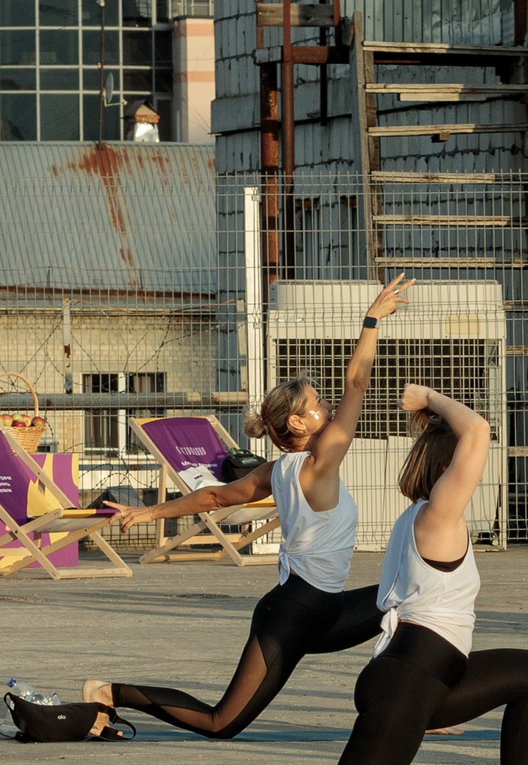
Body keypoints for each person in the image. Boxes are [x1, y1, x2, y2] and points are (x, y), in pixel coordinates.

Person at [151, 383, 528, 765]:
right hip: (408, 681)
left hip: (427, 679)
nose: (475, 473)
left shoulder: (416, 517)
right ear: (448, 470)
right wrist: (429, 397)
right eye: (467, 468)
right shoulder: (438, 517)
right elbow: (477, 431)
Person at [87, 276, 411, 737]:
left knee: (408, 599)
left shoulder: (278, 470)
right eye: (319, 404)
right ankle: (109, 693)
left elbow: (217, 496)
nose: (328, 408)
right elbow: (356, 381)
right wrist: (372, 320)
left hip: (322, 611)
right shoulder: (319, 462)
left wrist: (152, 512)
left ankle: (419, 707)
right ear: (298, 421)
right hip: (294, 613)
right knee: (222, 723)